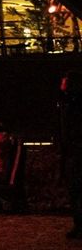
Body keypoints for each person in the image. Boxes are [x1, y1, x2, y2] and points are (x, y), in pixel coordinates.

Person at [59, 71, 80, 240]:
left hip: (75, 151)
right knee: (74, 190)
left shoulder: (71, 105)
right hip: (72, 150)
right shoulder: (68, 104)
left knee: (76, 189)